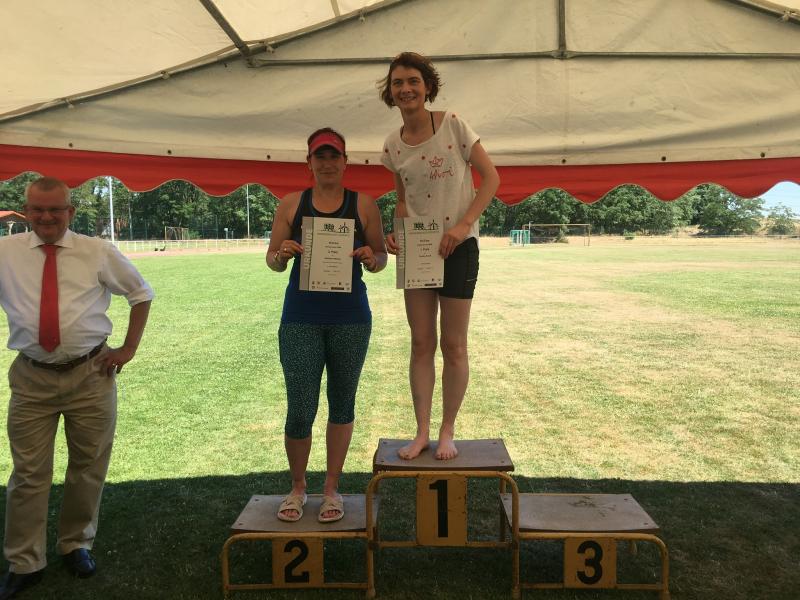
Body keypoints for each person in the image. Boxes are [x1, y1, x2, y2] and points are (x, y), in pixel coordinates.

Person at [0, 176, 153, 599]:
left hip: (91, 373)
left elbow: (141, 294)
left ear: (70, 211)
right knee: (29, 473)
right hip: (31, 377)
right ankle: (24, 561)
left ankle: (76, 544)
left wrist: (128, 348)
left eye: (55, 209)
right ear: (27, 211)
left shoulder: (96, 250)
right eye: (37, 209)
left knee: (88, 465)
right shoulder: (5, 252)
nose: (46, 217)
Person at [379, 52, 500, 461]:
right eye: (398, 83)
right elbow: (402, 200)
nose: (406, 89)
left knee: (454, 345)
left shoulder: (453, 124)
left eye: (413, 81)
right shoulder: (392, 145)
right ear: (390, 92)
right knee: (420, 343)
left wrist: (463, 225)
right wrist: (397, 235)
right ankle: (422, 432)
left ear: (427, 86)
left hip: (458, 248)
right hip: (417, 253)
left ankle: (448, 430)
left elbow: (492, 178)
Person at [266, 128, 387, 523]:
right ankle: (298, 487)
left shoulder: (364, 205)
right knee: (300, 408)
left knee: (342, 402)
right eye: (320, 156)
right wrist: (282, 254)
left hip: (350, 318)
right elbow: (272, 259)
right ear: (309, 163)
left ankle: (332, 488)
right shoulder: (291, 204)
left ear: (345, 162)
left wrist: (372, 257)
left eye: (334, 156)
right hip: (300, 318)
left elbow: (381, 256)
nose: (328, 163)